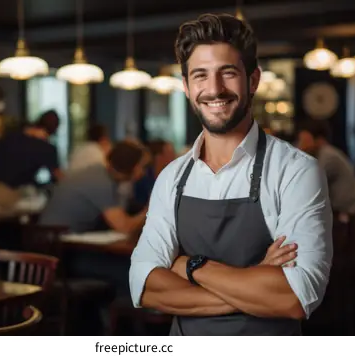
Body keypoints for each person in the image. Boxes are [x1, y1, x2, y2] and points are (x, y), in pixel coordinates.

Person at [129, 14, 332, 336]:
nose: (214, 89)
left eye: (228, 73)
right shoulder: (172, 176)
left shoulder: (295, 171)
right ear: (185, 86)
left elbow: (294, 296)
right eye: (200, 76)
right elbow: (145, 288)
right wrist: (256, 278)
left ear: (253, 80)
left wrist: (190, 266)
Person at [38, 141, 150, 234]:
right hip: (57, 246)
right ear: (132, 166)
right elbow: (124, 228)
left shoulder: (99, 173)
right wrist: (151, 209)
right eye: (142, 167)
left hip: (56, 240)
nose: (144, 173)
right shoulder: (101, 182)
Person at [0, 110, 62, 207]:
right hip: (4, 196)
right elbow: (59, 178)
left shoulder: (10, 136)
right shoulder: (46, 148)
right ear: (54, 130)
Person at [296, 120, 355, 215]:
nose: (300, 145)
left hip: (346, 215)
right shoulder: (325, 154)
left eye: (304, 140)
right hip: (341, 212)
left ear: (318, 139)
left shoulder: (327, 155)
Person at [133, 140, 176, 206]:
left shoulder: (173, 178)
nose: (175, 157)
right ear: (158, 157)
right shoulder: (142, 178)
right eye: (171, 153)